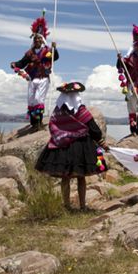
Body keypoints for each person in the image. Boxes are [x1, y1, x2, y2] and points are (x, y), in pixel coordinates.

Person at [35, 82, 107, 210]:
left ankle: (66, 205)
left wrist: (61, 135)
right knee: (81, 177)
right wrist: (100, 140)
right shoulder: (80, 110)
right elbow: (92, 127)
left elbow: (52, 126)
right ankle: (83, 205)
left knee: (65, 178)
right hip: (81, 146)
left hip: (62, 146)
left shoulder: (58, 111)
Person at [11, 16, 59, 131]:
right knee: (31, 100)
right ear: (33, 41)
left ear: (42, 40)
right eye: (35, 39)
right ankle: (33, 123)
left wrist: (54, 49)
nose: (37, 41)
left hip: (43, 77)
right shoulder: (30, 53)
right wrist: (15, 64)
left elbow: (55, 57)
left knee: (38, 99)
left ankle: (39, 122)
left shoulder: (48, 51)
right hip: (32, 78)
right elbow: (22, 62)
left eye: (39, 39)